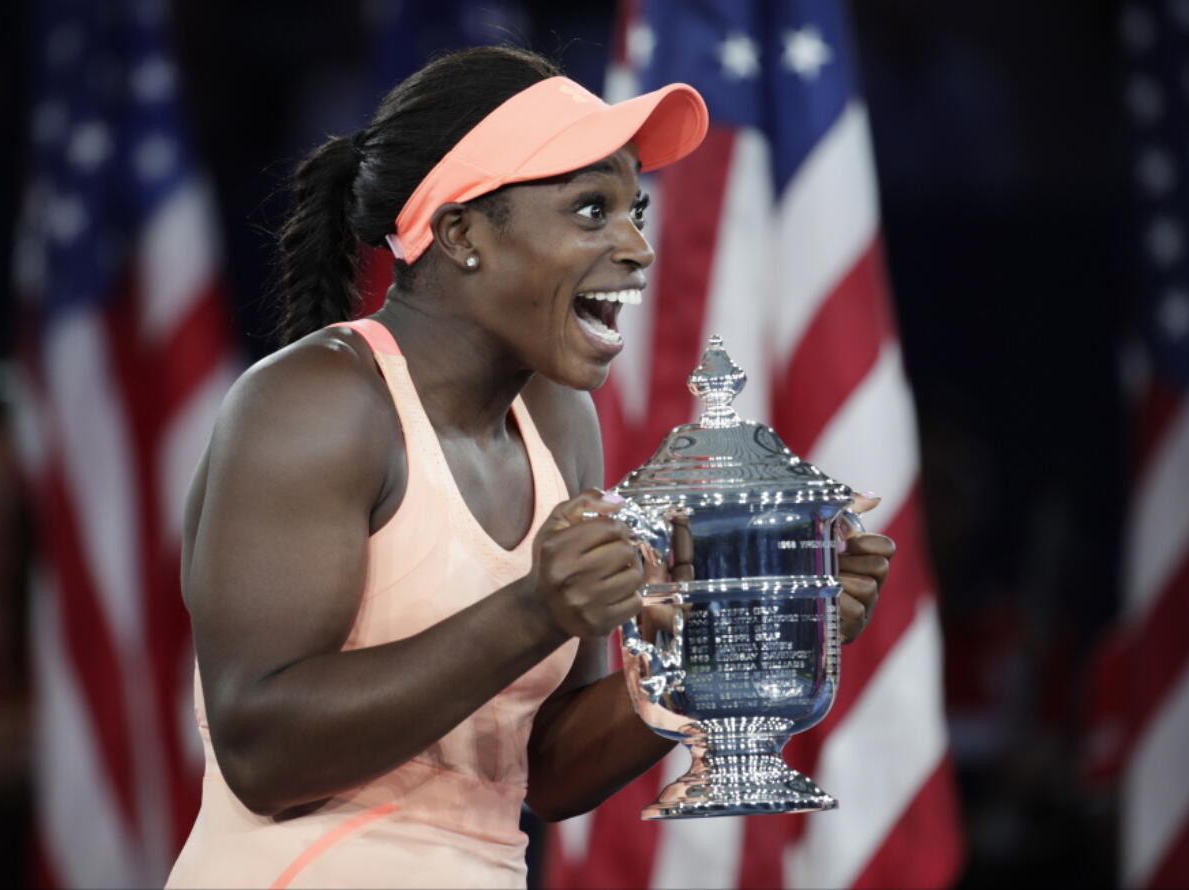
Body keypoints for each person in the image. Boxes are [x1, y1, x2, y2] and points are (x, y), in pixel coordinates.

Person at [166, 46, 895, 889]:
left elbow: (544, 769)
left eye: (637, 212)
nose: (637, 249)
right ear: (461, 232)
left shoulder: (557, 419)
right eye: (591, 211)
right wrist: (535, 610)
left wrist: (748, 643)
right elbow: (262, 750)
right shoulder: (316, 402)